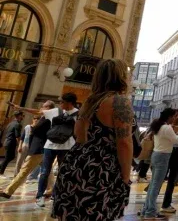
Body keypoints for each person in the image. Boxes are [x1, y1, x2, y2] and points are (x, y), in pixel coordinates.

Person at [49, 59, 134, 220]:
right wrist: (125, 176)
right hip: (101, 169)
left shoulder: (90, 101)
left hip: (75, 164)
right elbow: (124, 142)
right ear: (121, 76)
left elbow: (78, 135)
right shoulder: (120, 102)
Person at [10, 92, 79, 208]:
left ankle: (56, 195)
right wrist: (20, 108)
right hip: (50, 145)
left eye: (62, 102)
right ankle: (39, 196)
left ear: (69, 102)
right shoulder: (56, 111)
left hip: (67, 147)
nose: (60, 103)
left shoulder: (78, 114)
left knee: (63, 173)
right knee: (45, 171)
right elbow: (38, 112)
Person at [0, 101, 54, 199]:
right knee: (48, 171)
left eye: (44, 106)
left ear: (49, 108)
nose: (41, 108)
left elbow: (37, 112)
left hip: (38, 149)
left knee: (24, 170)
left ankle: (8, 191)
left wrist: (20, 108)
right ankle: (51, 189)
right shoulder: (45, 118)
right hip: (41, 149)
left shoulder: (49, 117)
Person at [141, 108, 178, 219]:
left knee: (153, 184)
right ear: (169, 117)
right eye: (173, 116)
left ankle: (146, 210)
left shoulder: (158, 126)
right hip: (163, 156)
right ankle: (150, 212)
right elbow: (176, 140)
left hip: (156, 154)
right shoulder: (167, 127)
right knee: (155, 186)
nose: (174, 118)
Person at [161, 109, 178, 214]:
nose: (177, 118)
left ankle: (166, 203)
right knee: (160, 178)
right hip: (167, 152)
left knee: (172, 180)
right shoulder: (167, 126)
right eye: (176, 115)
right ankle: (148, 204)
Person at [0, 111, 23, 176]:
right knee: (8, 157)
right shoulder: (17, 124)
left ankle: (1, 169)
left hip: (7, 141)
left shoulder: (10, 123)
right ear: (19, 116)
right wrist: (20, 145)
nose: (23, 117)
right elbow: (17, 136)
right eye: (22, 115)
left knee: (10, 157)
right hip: (11, 142)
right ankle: (1, 171)